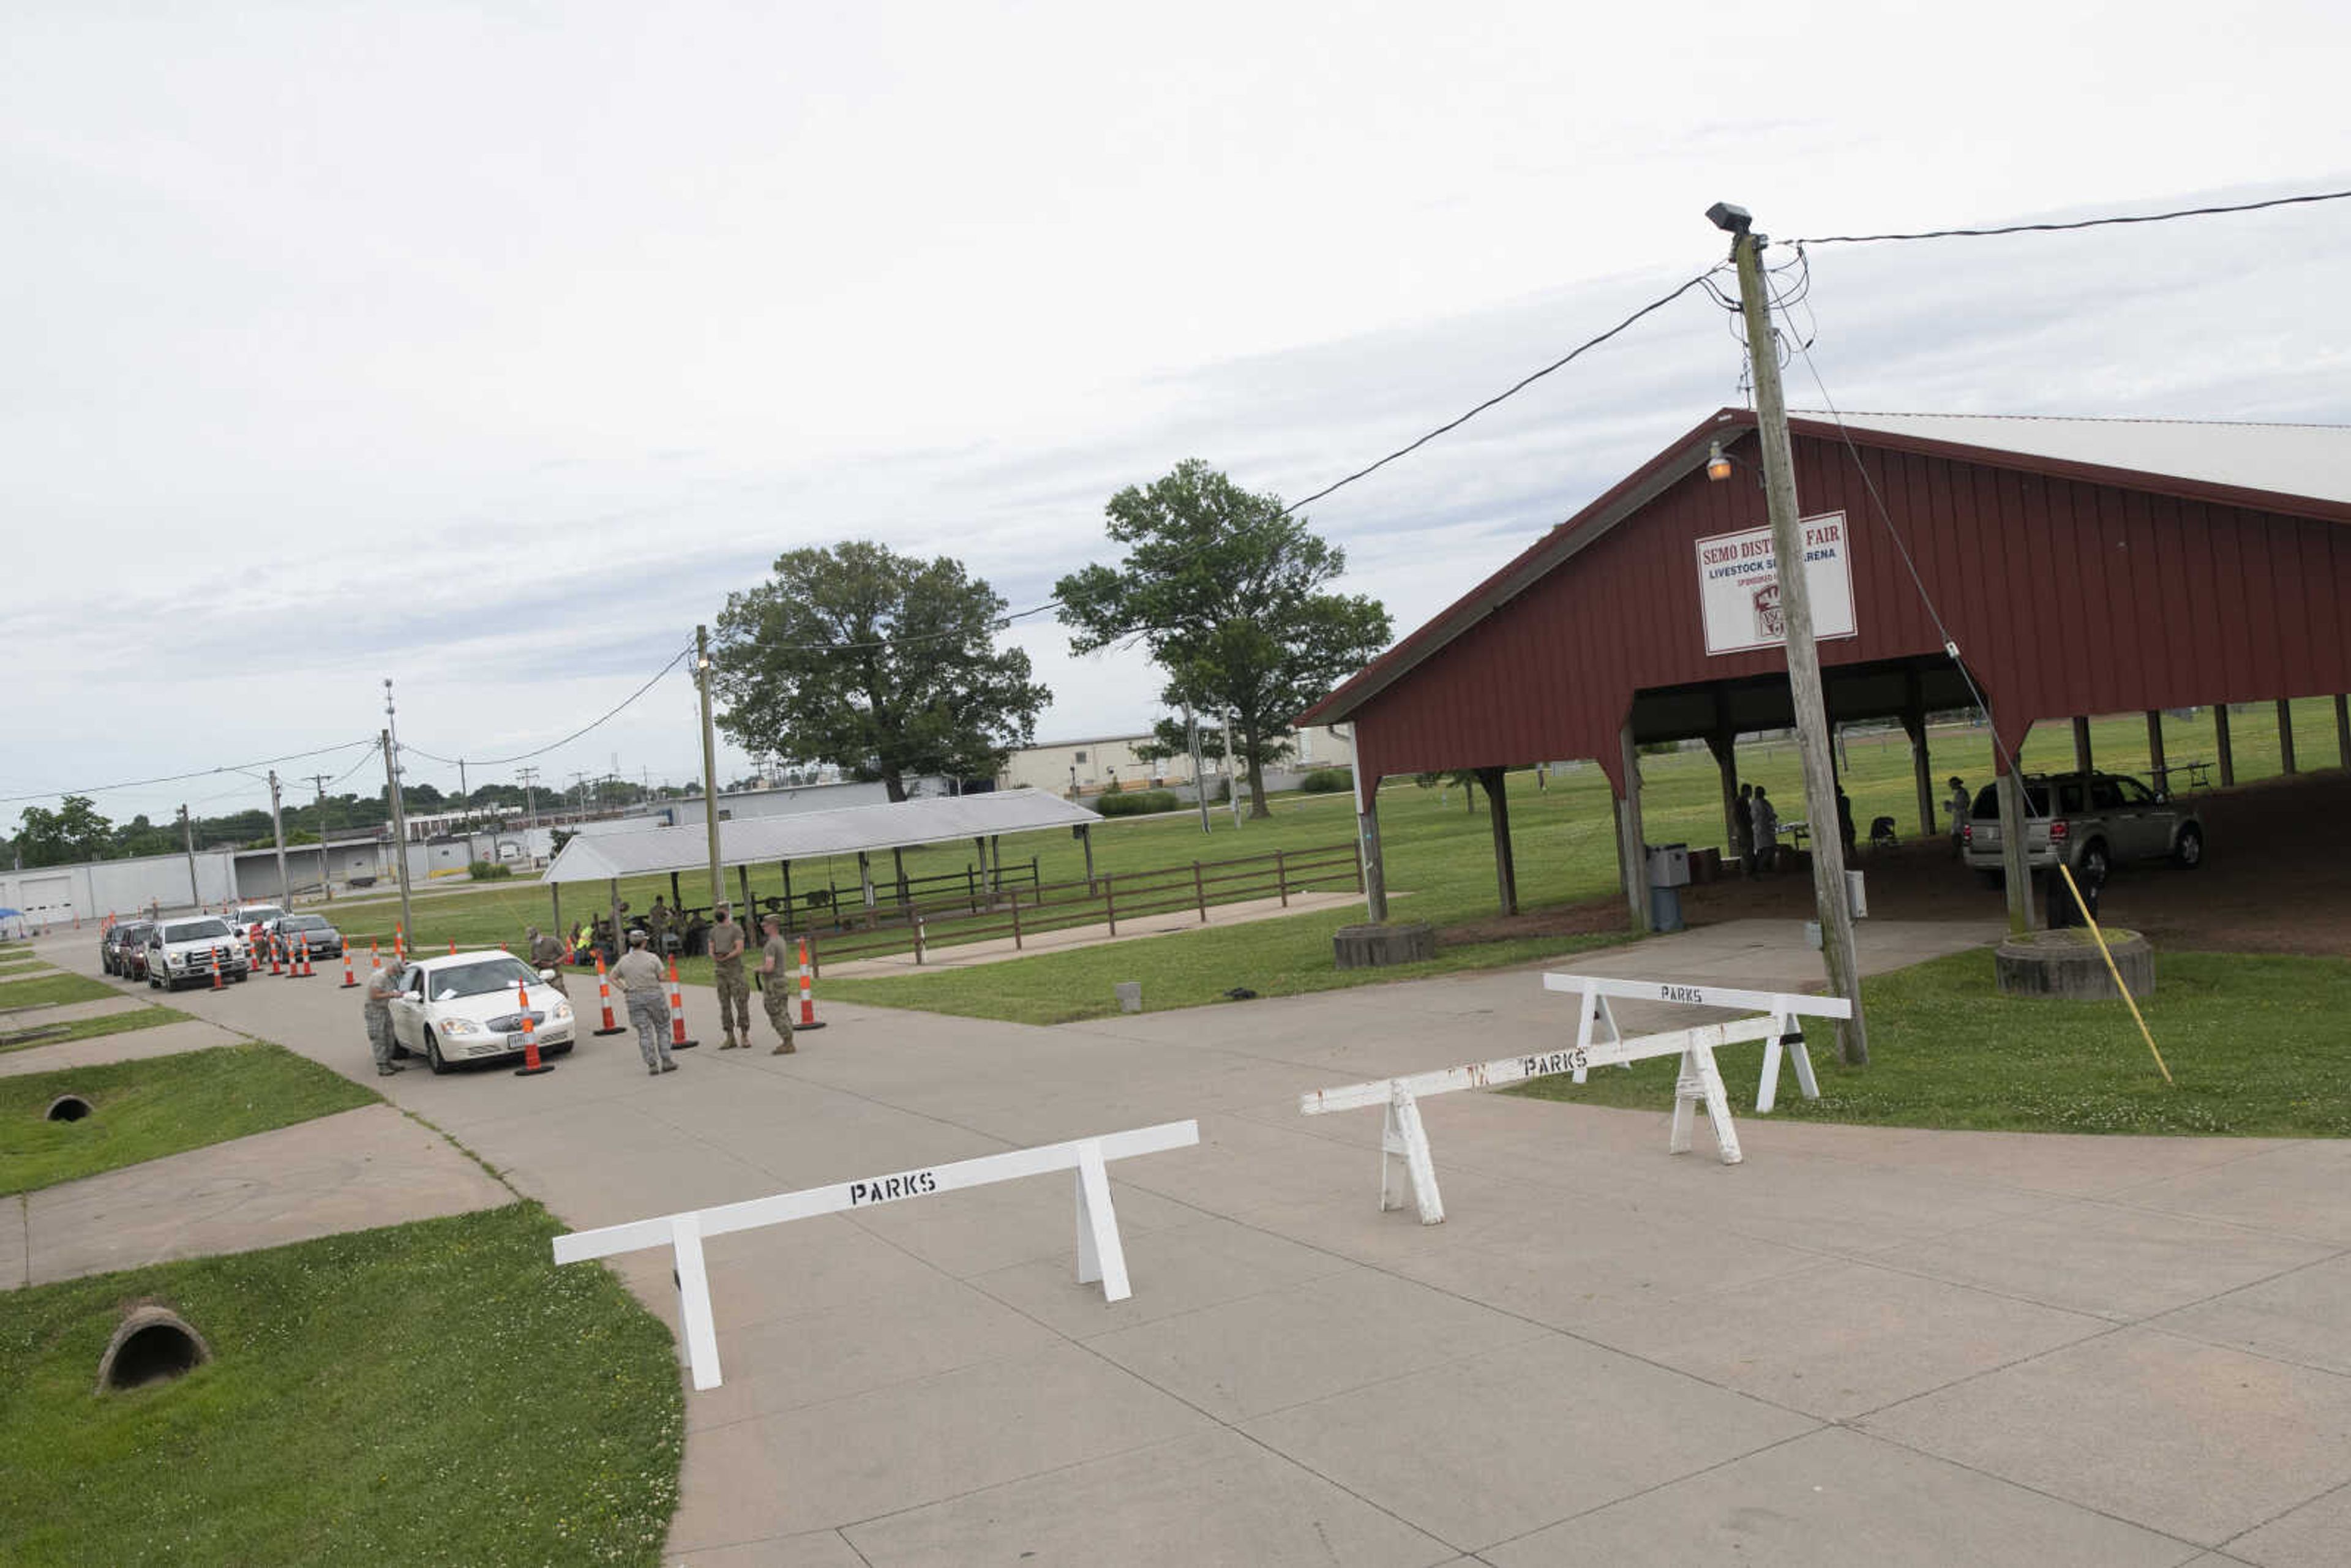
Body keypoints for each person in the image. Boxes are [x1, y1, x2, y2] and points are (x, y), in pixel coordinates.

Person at [609, 929, 675, 1075]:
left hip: (634, 997)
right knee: (662, 1027)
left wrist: (625, 989)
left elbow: (612, 977)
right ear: (644, 942)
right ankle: (666, 1060)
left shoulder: (624, 960)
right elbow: (662, 977)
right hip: (654, 994)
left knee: (644, 1032)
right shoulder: (653, 958)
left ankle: (651, 1063)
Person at [708, 901, 751, 1048]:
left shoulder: (736, 929)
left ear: (728, 912)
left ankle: (744, 1035)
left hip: (735, 970)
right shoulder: (713, 931)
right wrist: (715, 957)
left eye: (722, 909)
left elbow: (740, 949)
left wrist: (727, 956)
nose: (719, 911)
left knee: (741, 1002)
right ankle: (730, 1036)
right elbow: (711, 948)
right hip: (721, 972)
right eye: (718, 908)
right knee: (724, 1004)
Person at [759, 912, 797, 1054]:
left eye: (766, 926)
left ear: (773, 926)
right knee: (783, 1010)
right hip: (782, 980)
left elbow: (769, 967)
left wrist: (759, 969)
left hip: (773, 982)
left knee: (775, 1011)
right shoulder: (781, 940)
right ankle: (788, 1039)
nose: (764, 928)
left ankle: (787, 1042)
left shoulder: (771, 945)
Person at [363, 958, 407, 1077]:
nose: (399, 976)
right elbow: (374, 995)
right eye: (399, 973)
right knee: (379, 1037)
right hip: (374, 1010)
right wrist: (392, 994)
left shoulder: (390, 977)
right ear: (394, 970)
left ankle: (389, 1061)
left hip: (384, 1008)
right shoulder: (380, 977)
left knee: (390, 1035)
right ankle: (382, 1065)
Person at [526, 925, 569, 997]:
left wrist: (553, 963)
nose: (532, 941)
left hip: (555, 973)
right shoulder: (533, 946)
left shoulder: (553, 941)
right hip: (542, 975)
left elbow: (565, 955)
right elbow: (532, 961)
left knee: (559, 989)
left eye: (533, 938)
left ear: (538, 935)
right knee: (543, 995)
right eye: (531, 939)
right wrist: (536, 963)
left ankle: (565, 1005)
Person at [1750, 786, 1779, 873]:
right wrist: (1772, 817)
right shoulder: (1759, 803)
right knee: (1768, 849)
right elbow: (1763, 816)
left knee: (1763, 850)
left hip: (1763, 830)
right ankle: (1760, 868)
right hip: (1762, 830)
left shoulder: (1758, 803)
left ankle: (1763, 868)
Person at [1946, 775, 1971, 853]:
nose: (1951, 787)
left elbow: (1961, 805)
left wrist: (1950, 805)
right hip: (1960, 816)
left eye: (1952, 785)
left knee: (1958, 834)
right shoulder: (1961, 792)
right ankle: (1959, 849)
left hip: (1962, 816)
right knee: (1958, 834)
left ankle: (1958, 850)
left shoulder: (1962, 793)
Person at [1734, 781, 1754, 872]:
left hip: (1743, 829)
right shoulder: (1741, 801)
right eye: (1750, 791)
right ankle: (1747, 870)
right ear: (1745, 791)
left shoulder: (1742, 800)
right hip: (1744, 830)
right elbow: (1740, 817)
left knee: (1747, 850)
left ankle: (1747, 870)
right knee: (1747, 850)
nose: (1751, 793)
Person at [1835, 784, 1856, 855]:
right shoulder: (1846, 800)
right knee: (1849, 843)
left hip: (1844, 824)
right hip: (1847, 823)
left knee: (1845, 843)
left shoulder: (1840, 802)